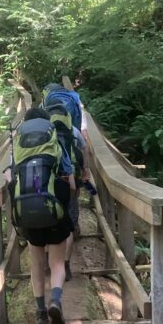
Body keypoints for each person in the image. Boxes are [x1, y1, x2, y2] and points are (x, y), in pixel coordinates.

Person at [7, 105, 75, 324]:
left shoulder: (18, 145)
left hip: (26, 211)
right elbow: (70, 181)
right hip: (53, 209)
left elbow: (10, 176)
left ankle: (40, 311)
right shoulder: (55, 142)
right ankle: (55, 299)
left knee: (36, 263)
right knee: (56, 262)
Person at [42, 81, 97, 281]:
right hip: (71, 178)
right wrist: (86, 170)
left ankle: (50, 260)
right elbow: (85, 149)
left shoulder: (45, 130)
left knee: (50, 218)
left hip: (49, 182)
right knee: (70, 221)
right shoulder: (72, 130)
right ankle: (65, 264)